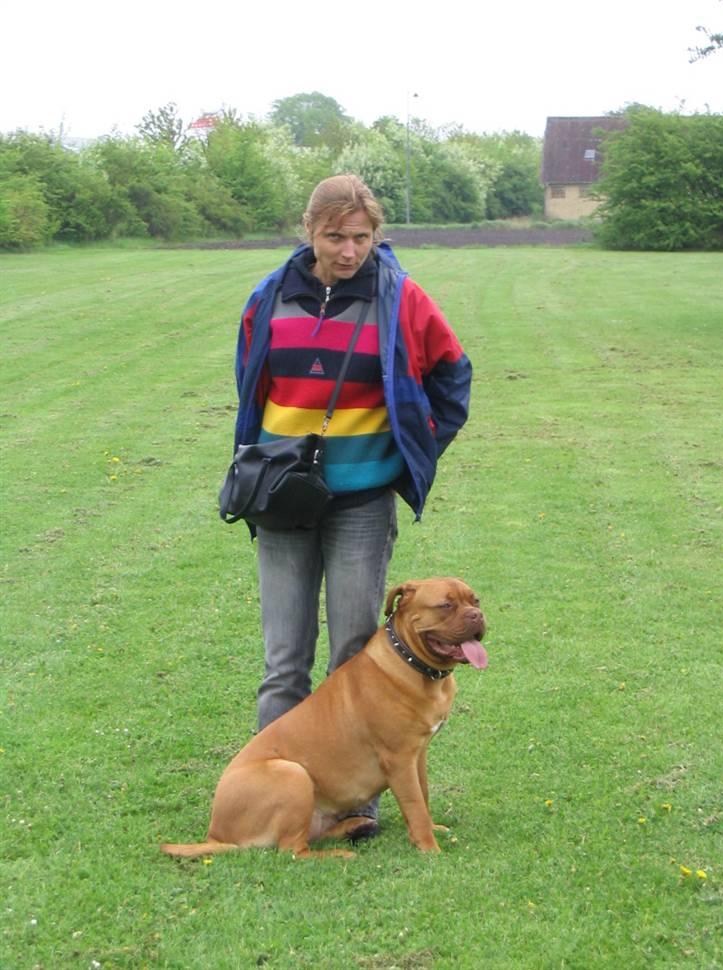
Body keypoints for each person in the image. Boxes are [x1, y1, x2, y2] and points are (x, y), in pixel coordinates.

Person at [231, 173, 471, 837]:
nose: (348, 250)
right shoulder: (269, 297)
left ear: (377, 235)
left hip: (361, 501)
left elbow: (453, 374)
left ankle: (353, 805)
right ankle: (277, 797)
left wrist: (412, 450)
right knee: (284, 658)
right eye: (335, 236)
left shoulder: (402, 299)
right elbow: (251, 383)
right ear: (308, 230)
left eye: (362, 237)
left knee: (354, 654)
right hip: (283, 500)